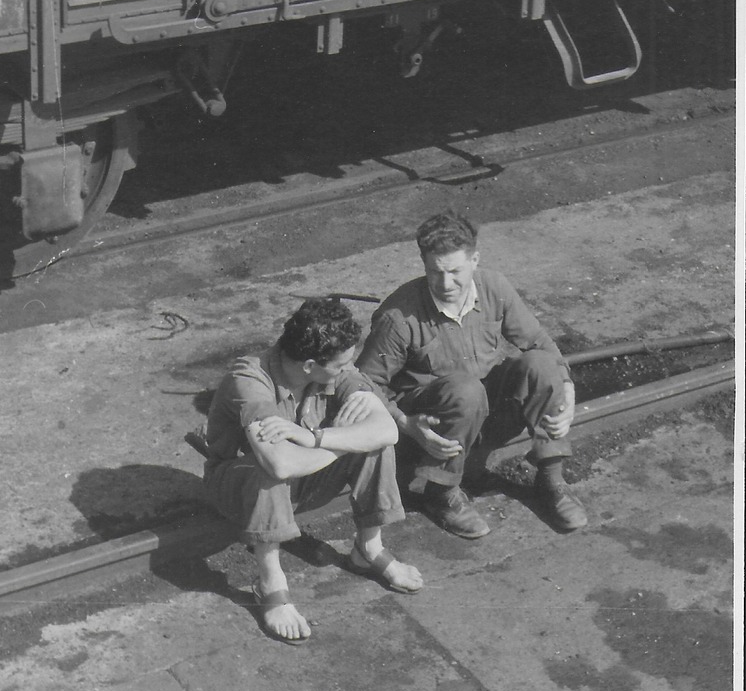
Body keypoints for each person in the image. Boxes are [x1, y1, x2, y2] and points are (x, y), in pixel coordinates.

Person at [202, 298, 423, 643]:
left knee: (375, 445)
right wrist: (342, 442)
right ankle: (270, 583)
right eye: (341, 364)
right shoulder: (249, 380)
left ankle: (369, 548)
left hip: (302, 479)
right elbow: (280, 463)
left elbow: (387, 431)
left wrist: (314, 437)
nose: (348, 369)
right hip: (239, 490)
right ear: (309, 365)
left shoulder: (334, 369)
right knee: (268, 470)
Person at [356, 211, 587, 539]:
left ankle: (551, 480)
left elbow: (542, 345)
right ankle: (440, 493)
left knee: (542, 366)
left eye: (455, 272)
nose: (446, 284)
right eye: (435, 272)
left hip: (483, 411)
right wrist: (408, 426)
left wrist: (568, 391)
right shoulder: (399, 317)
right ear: (424, 265)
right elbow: (364, 382)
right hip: (434, 425)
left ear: (475, 260)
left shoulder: (495, 288)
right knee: (465, 389)